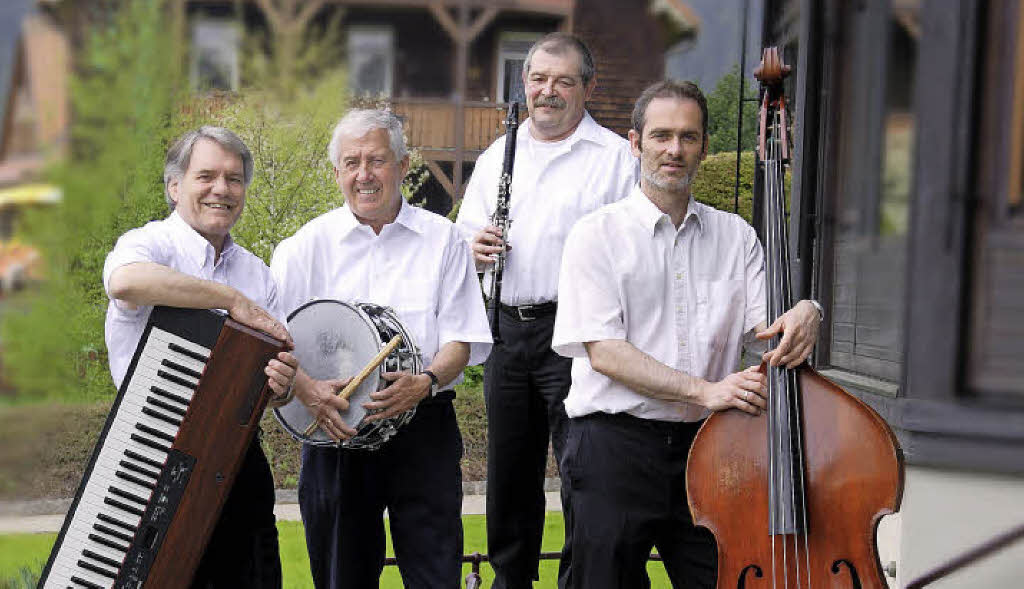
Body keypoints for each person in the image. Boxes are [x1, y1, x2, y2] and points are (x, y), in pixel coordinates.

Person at [551, 80, 823, 589]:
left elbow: (770, 331)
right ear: (635, 143)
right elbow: (606, 353)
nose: (674, 150)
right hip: (614, 445)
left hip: (712, 450)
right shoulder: (596, 235)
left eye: (688, 137)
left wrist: (809, 309)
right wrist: (706, 390)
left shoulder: (736, 236)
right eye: (661, 136)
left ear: (704, 146)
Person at [270, 109, 492, 589]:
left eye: (377, 160)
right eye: (351, 163)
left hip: (424, 426)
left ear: (403, 164)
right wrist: (308, 391)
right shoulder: (304, 247)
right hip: (336, 431)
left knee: (435, 574)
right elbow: (272, 343)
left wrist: (425, 383)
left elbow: (460, 339)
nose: (364, 175)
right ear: (336, 172)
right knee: (339, 578)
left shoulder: (445, 240)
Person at [455, 32, 638, 589]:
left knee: (583, 468)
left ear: (587, 87)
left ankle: (579, 581)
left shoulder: (613, 159)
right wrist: (475, 247)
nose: (548, 92)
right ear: (524, 84)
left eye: (563, 81)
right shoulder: (498, 155)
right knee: (510, 475)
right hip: (509, 330)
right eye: (538, 79)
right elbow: (463, 234)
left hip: (580, 335)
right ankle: (512, 581)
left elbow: (631, 251)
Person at [103, 126, 299, 588]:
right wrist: (228, 299)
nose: (222, 189)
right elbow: (125, 282)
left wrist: (281, 386)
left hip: (237, 461)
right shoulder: (150, 244)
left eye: (234, 179)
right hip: (149, 452)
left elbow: (274, 391)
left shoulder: (258, 272)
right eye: (206, 175)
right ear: (175, 187)